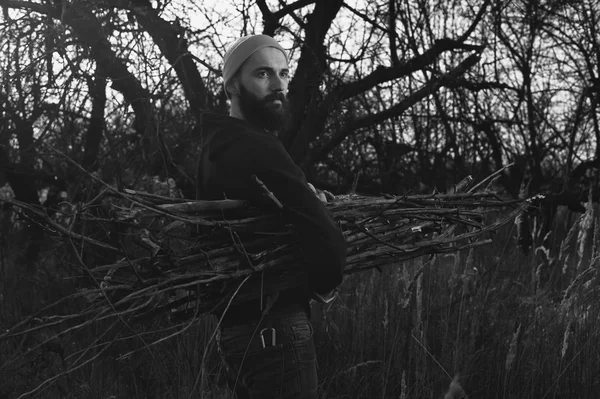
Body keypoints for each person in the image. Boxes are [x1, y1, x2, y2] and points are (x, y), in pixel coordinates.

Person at [196, 34, 347, 398]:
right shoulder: (257, 145)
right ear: (232, 84)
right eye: (263, 74)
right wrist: (318, 284)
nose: (278, 85)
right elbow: (328, 245)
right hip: (275, 330)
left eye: (283, 74)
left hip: (235, 332)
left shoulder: (212, 150)